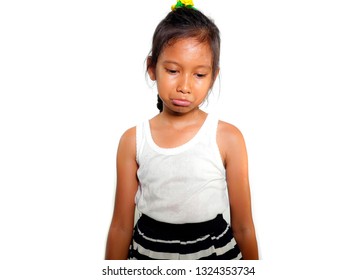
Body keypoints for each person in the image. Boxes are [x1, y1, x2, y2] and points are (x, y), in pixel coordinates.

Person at [105, 0, 258, 260]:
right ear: (152, 68)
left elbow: (243, 226)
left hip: (214, 258)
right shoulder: (133, 140)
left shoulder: (228, 138)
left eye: (199, 75)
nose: (185, 86)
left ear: (213, 76)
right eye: (173, 70)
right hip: (150, 256)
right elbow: (120, 225)